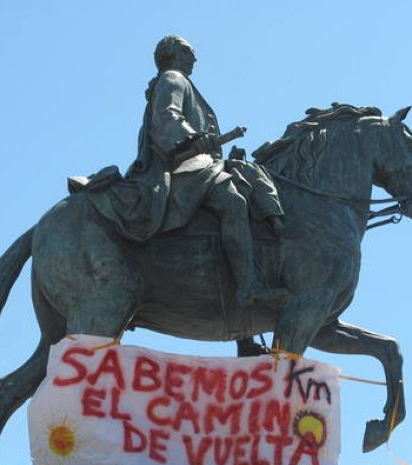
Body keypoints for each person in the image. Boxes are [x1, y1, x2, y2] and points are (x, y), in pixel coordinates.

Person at [100, 35, 285, 307]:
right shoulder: (172, 78)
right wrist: (196, 139)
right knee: (234, 203)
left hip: (201, 164)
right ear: (171, 55)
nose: (194, 58)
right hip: (184, 166)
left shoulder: (179, 81)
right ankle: (248, 286)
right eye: (187, 51)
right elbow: (167, 117)